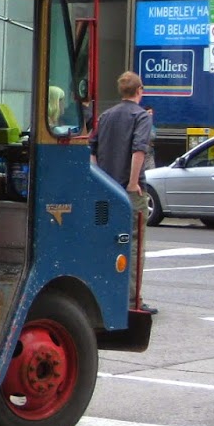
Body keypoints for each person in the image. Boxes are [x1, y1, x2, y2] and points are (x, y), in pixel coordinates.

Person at [91, 70, 155, 315]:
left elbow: (92, 149)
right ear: (140, 91)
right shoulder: (141, 117)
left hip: (106, 190)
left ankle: (103, 293)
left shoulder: (106, 116)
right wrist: (131, 182)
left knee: (106, 241)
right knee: (134, 244)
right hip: (129, 192)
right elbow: (139, 150)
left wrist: (101, 179)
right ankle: (131, 299)